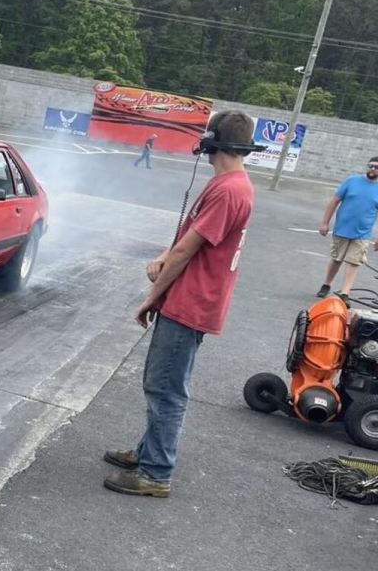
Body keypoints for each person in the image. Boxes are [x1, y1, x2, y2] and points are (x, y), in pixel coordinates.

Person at [103, 111, 257, 498]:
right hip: (190, 297)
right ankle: (146, 452)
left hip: (191, 302)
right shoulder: (227, 184)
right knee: (164, 382)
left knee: (165, 387)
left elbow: (189, 250)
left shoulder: (228, 191)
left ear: (212, 140)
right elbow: (189, 236)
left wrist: (150, 298)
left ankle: (155, 473)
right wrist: (164, 254)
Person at [316, 156, 378, 299]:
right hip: (342, 229)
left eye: (377, 167)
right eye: (370, 166)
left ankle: (345, 293)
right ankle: (326, 284)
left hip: (363, 233)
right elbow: (334, 202)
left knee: (354, 261)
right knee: (336, 259)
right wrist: (325, 223)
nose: (373, 169)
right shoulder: (351, 181)